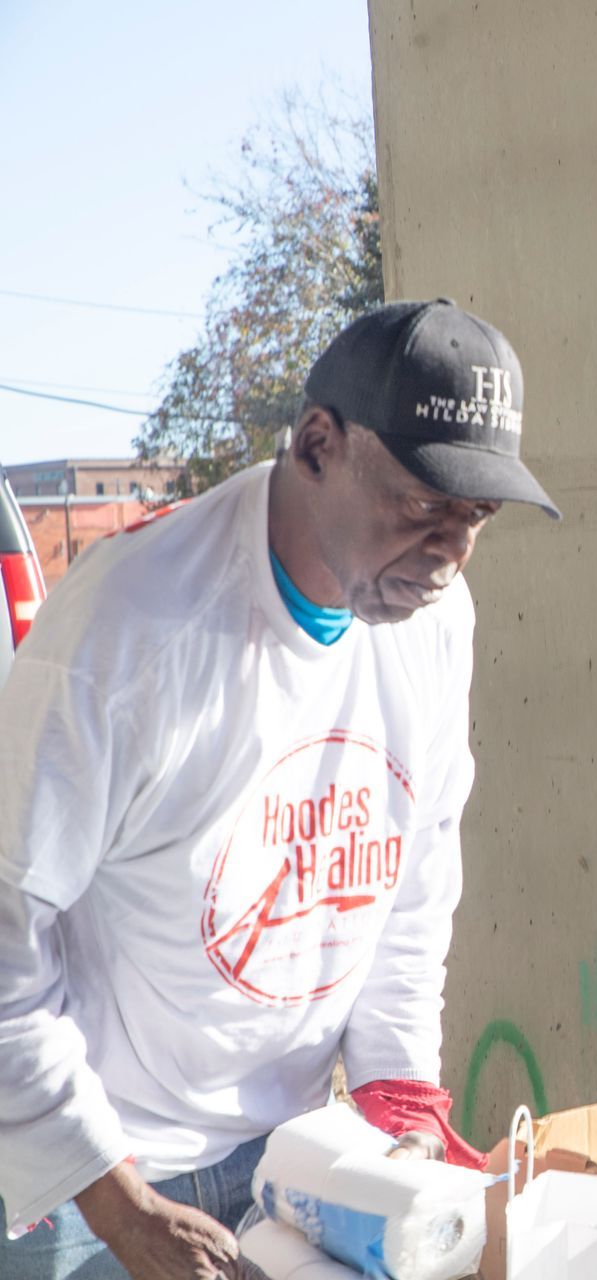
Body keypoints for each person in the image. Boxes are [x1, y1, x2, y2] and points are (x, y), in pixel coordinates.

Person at [0, 299, 560, 1279]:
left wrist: (397, 1088)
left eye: (477, 518)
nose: (450, 550)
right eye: (424, 503)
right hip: (91, 1168)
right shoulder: (132, 631)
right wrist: (122, 1204)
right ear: (316, 443)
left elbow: (415, 864)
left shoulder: (436, 620)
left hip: (292, 1153)